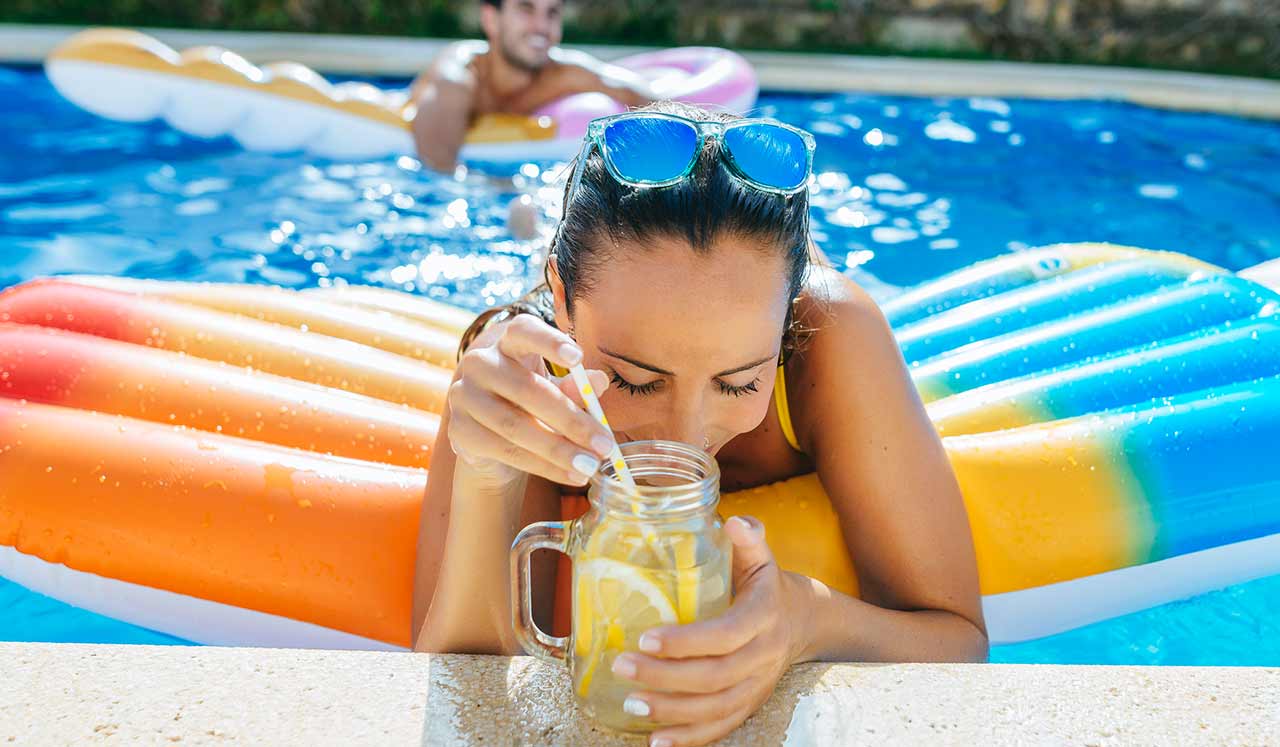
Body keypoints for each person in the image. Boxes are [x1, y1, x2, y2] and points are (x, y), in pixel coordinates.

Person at [413, 101, 987, 747]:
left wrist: (804, 620)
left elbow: (959, 640)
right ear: (565, 303)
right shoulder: (522, 373)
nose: (684, 437)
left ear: (785, 323)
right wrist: (487, 476)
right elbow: (463, 687)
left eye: (740, 381)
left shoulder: (831, 337)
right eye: (635, 379)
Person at [408, 0, 655, 173]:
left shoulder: (565, 74)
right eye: (526, 8)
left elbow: (654, 102)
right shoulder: (459, 77)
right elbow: (436, 165)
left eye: (552, 12)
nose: (541, 26)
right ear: (490, 19)